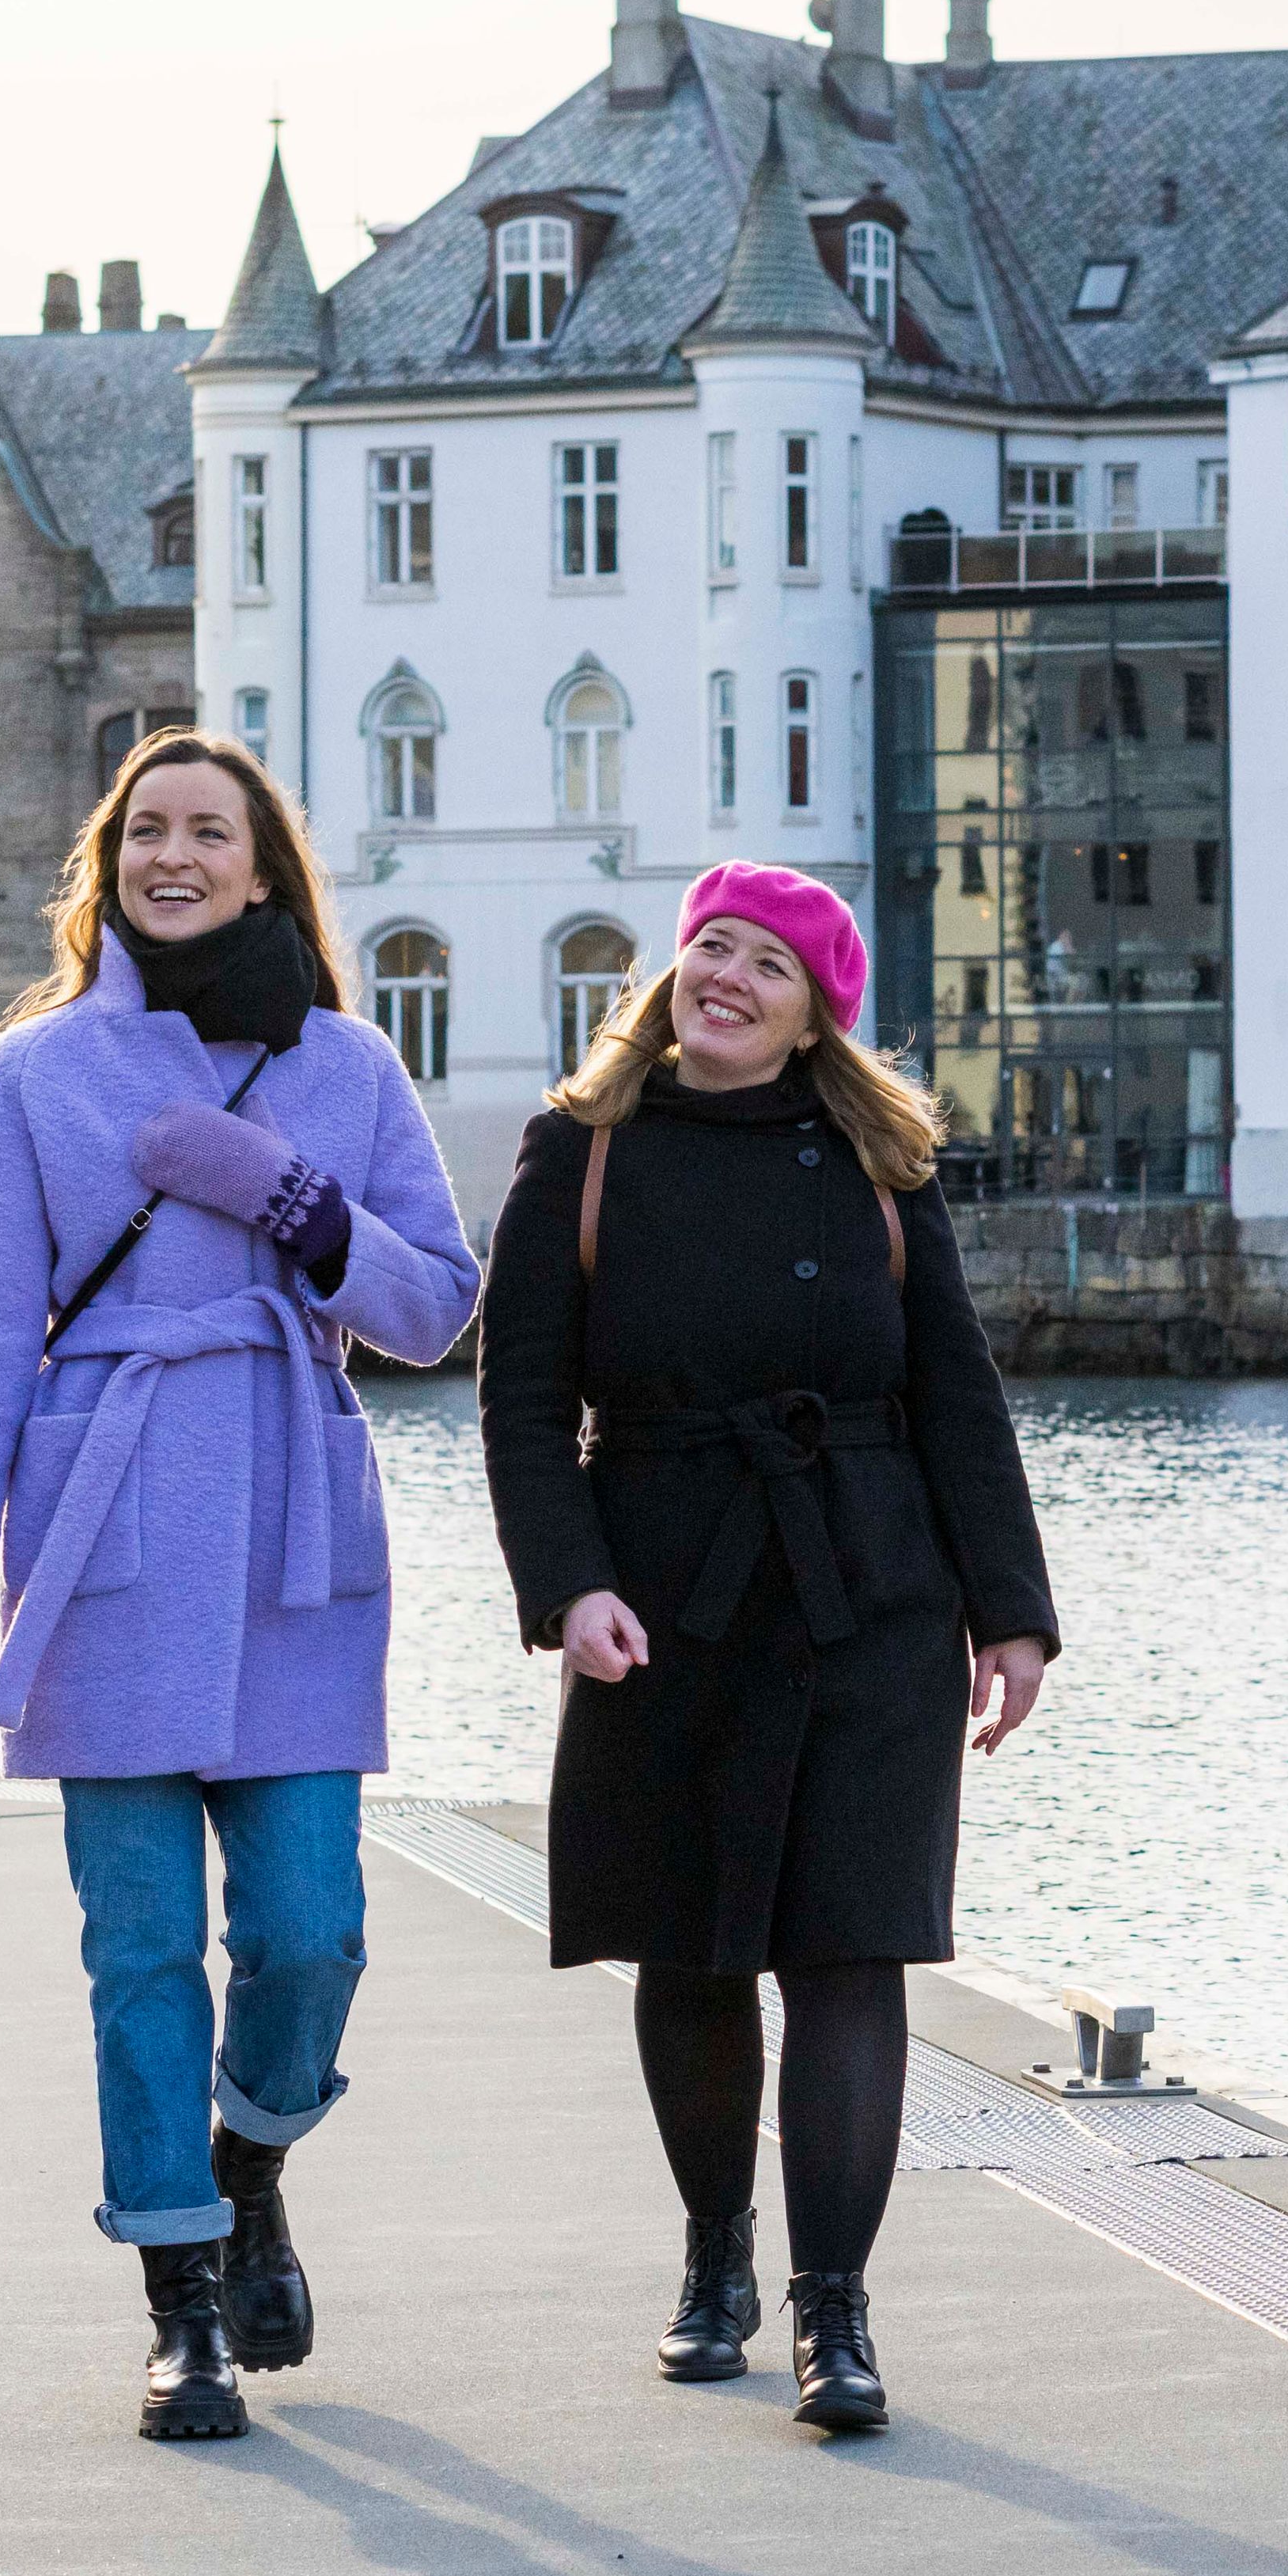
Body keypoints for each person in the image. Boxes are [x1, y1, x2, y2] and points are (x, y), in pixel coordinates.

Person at [0, 731, 481, 2439]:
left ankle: (248, 2162)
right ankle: (181, 2306)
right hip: (107, 1534)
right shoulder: (35, 1074)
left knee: (312, 1933)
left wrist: (297, 1203)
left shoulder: (353, 1070)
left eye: (205, 830)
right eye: (143, 828)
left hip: (294, 1539)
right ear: (109, 863)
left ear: (260, 865)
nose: (173, 854)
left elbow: (439, 1308)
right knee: (139, 1945)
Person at [482, 865, 1055, 2434]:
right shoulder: (578, 1151)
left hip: (870, 1586)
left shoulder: (879, 1157)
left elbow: (956, 1391)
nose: (726, 973)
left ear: (817, 1012)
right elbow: (523, 1398)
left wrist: (1009, 1608)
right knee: (689, 1943)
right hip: (666, 1593)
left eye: (768, 961)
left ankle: (835, 2309)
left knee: (851, 1947)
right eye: (709, 946)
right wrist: (567, 1585)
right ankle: (714, 2252)